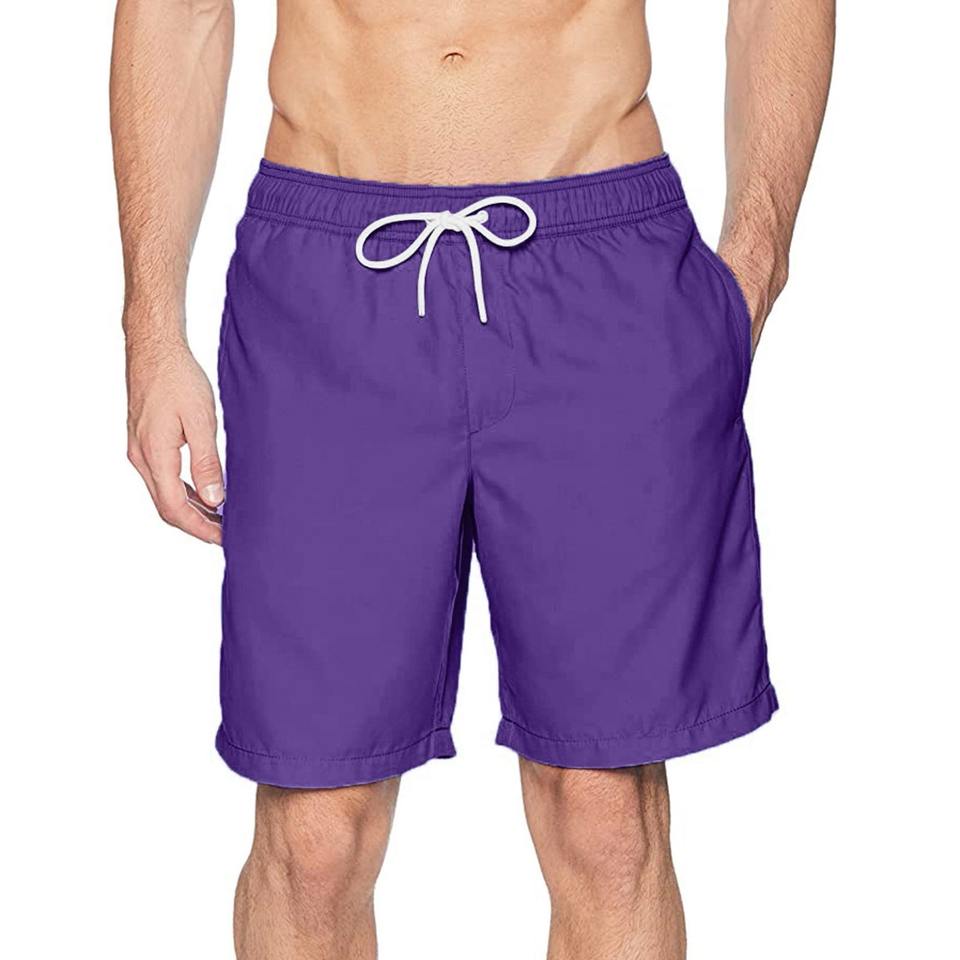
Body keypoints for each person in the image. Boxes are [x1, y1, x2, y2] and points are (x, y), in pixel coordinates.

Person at [110, 1, 834, 956]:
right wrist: (151, 329)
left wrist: (755, 259)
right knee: (316, 834)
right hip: (327, 284)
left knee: (605, 820)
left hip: (602, 267)